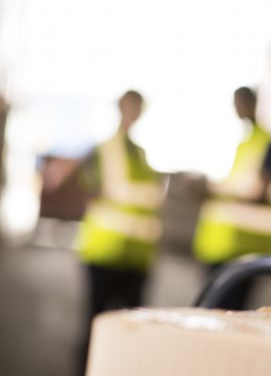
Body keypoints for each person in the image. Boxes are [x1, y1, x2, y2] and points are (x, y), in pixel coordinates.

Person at [75, 90, 165, 371]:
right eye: (129, 107)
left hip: (137, 257)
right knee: (97, 325)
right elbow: (83, 186)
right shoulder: (102, 150)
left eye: (137, 108)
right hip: (105, 252)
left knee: (129, 329)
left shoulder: (140, 153)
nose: (133, 113)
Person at [191, 86, 271, 309]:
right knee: (215, 308)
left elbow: (257, 190)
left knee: (227, 309)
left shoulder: (266, 145)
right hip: (220, 242)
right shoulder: (242, 143)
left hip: (243, 245)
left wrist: (214, 190)